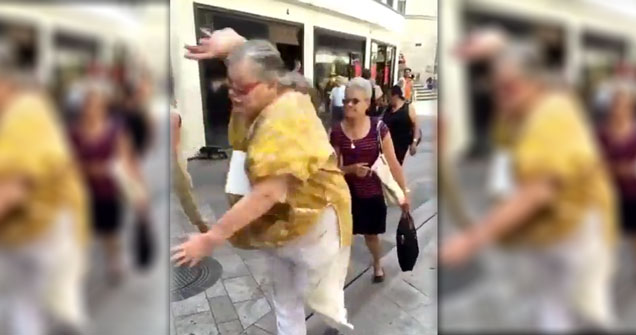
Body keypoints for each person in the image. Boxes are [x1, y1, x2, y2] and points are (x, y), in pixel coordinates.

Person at [173, 29, 354, 335]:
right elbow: (261, 64)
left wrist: (211, 238)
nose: (234, 96)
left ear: (272, 84)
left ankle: (333, 325)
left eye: (242, 89)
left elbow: (268, 193)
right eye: (230, 87)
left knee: (325, 297)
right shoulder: (269, 87)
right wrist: (236, 47)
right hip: (276, 224)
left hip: (315, 221)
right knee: (284, 299)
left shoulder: (286, 116)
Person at [441, 36, 617, 332]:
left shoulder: (553, 113)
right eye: (495, 88)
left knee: (586, 306)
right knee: (550, 300)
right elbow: (506, 147)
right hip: (545, 228)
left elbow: (536, 191)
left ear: (535, 82)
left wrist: (471, 241)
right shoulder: (518, 111)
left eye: (508, 87)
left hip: (578, 226)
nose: (500, 96)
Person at [0, 63, 89, 335]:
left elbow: (16, 186)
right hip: (22, 232)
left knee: (40, 304)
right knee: (26, 305)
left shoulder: (25, 113)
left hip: (44, 228)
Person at [330, 77, 410, 283]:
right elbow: (331, 170)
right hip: (345, 195)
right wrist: (350, 169)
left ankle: (377, 263)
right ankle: (339, 273)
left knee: (371, 236)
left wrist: (403, 194)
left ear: (367, 103)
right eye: (346, 100)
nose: (348, 105)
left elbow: (393, 164)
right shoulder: (337, 131)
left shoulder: (378, 128)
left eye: (355, 101)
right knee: (342, 237)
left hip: (372, 194)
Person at [69, 81, 145, 284]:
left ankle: (114, 260)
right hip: (82, 189)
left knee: (109, 229)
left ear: (103, 106)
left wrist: (138, 191)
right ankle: (81, 264)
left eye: (95, 104)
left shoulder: (115, 129)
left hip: (108, 189)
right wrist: (84, 168)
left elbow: (126, 159)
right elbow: (68, 160)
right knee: (81, 227)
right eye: (87, 104)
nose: (90, 109)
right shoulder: (74, 131)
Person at [597, 85, 636, 249]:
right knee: (605, 243)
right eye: (615, 105)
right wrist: (624, 169)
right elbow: (595, 167)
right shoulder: (600, 133)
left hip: (633, 197)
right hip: (607, 197)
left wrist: (612, 168)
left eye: (623, 105)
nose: (618, 110)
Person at [170, 96, 208, 233]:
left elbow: (173, 144)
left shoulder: (172, 115)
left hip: (172, 159)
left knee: (184, 192)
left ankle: (200, 224)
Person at [383, 85, 420, 164]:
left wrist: (414, 142)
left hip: (401, 146)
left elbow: (415, 126)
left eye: (389, 97)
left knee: (396, 166)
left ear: (395, 96)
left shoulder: (408, 108)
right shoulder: (388, 109)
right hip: (387, 145)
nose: (388, 99)